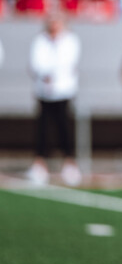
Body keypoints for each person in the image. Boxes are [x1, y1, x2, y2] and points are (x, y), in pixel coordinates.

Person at [28, 13, 82, 186]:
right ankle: (40, 164)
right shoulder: (40, 40)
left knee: (64, 127)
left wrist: (53, 74)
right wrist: (45, 74)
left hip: (63, 91)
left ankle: (69, 164)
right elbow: (36, 63)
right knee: (42, 128)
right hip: (43, 91)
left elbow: (68, 62)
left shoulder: (70, 40)